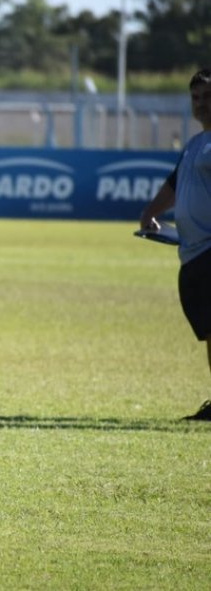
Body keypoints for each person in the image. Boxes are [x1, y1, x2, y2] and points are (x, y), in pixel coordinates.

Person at [140, 67, 211, 421]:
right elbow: (174, 183)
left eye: (208, 97)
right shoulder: (196, 144)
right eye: (196, 98)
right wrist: (151, 213)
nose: (200, 104)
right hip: (194, 252)